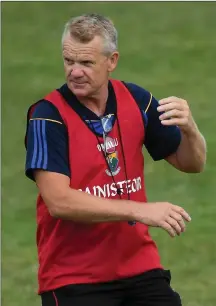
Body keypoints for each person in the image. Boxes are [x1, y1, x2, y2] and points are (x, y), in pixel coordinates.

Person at [25, 13, 206, 306]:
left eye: (86, 63)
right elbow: (58, 201)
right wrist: (139, 211)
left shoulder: (137, 100)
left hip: (140, 266)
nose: (75, 72)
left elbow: (191, 163)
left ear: (112, 61)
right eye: (69, 61)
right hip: (75, 277)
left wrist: (190, 130)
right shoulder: (47, 116)